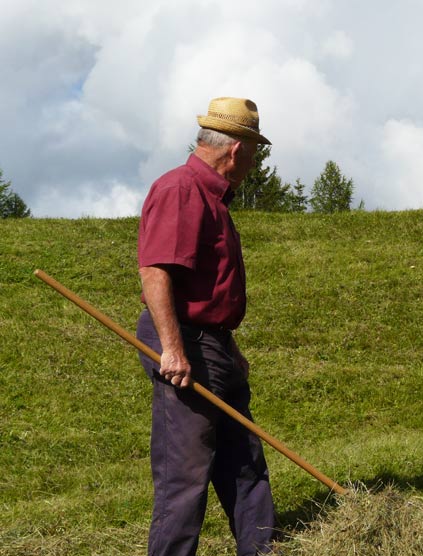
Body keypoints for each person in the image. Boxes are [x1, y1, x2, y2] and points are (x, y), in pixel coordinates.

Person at [136, 97, 275, 555]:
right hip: (184, 343)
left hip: (212, 345)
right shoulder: (180, 189)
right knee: (186, 474)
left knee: (245, 462)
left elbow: (207, 288)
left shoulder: (214, 199)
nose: (254, 162)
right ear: (236, 150)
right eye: (254, 151)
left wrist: (227, 346)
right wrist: (174, 351)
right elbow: (157, 271)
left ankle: (260, 550)